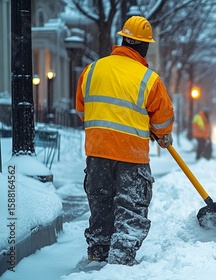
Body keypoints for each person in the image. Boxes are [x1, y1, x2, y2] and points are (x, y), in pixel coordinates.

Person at [75, 16, 175, 266]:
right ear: (145, 46)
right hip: (131, 156)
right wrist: (160, 133)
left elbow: (82, 110)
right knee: (130, 208)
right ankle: (121, 262)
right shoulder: (149, 79)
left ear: (122, 39)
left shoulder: (92, 69)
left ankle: (97, 256)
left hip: (97, 153)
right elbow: (163, 120)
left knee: (101, 205)